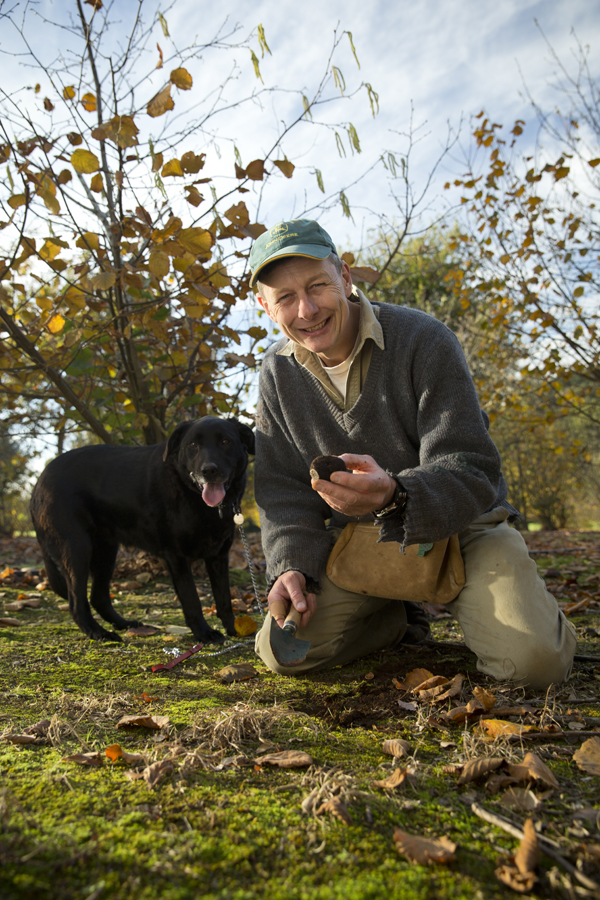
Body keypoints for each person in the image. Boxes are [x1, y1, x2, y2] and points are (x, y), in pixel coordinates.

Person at [250, 218, 576, 689]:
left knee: (534, 666)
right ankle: (395, 620)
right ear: (266, 306)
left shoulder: (423, 338)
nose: (306, 309)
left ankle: (531, 613)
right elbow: (282, 490)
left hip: (464, 526)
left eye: (317, 285)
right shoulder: (276, 375)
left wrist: (395, 494)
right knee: (282, 654)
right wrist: (292, 564)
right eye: (284, 298)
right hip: (362, 544)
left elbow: (471, 465)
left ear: (344, 276)